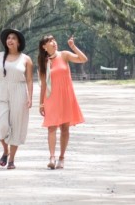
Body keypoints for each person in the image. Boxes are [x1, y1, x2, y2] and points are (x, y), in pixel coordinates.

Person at [37, 35, 86, 169]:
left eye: (54, 40)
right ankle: (52, 157)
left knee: (65, 127)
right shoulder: (43, 62)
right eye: (50, 41)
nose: (54, 43)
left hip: (65, 96)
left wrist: (73, 47)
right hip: (50, 98)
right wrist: (41, 103)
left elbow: (83, 59)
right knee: (51, 127)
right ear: (44, 46)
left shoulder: (64, 55)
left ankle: (61, 157)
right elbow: (43, 85)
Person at [0, 27, 33, 169]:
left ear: (19, 42)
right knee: (2, 125)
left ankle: (11, 159)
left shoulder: (26, 59)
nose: (10, 40)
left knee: (17, 126)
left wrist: (30, 97)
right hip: (1, 91)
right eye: (8, 38)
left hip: (19, 92)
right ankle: (5, 151)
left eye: (13, 38)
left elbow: (30, 80)